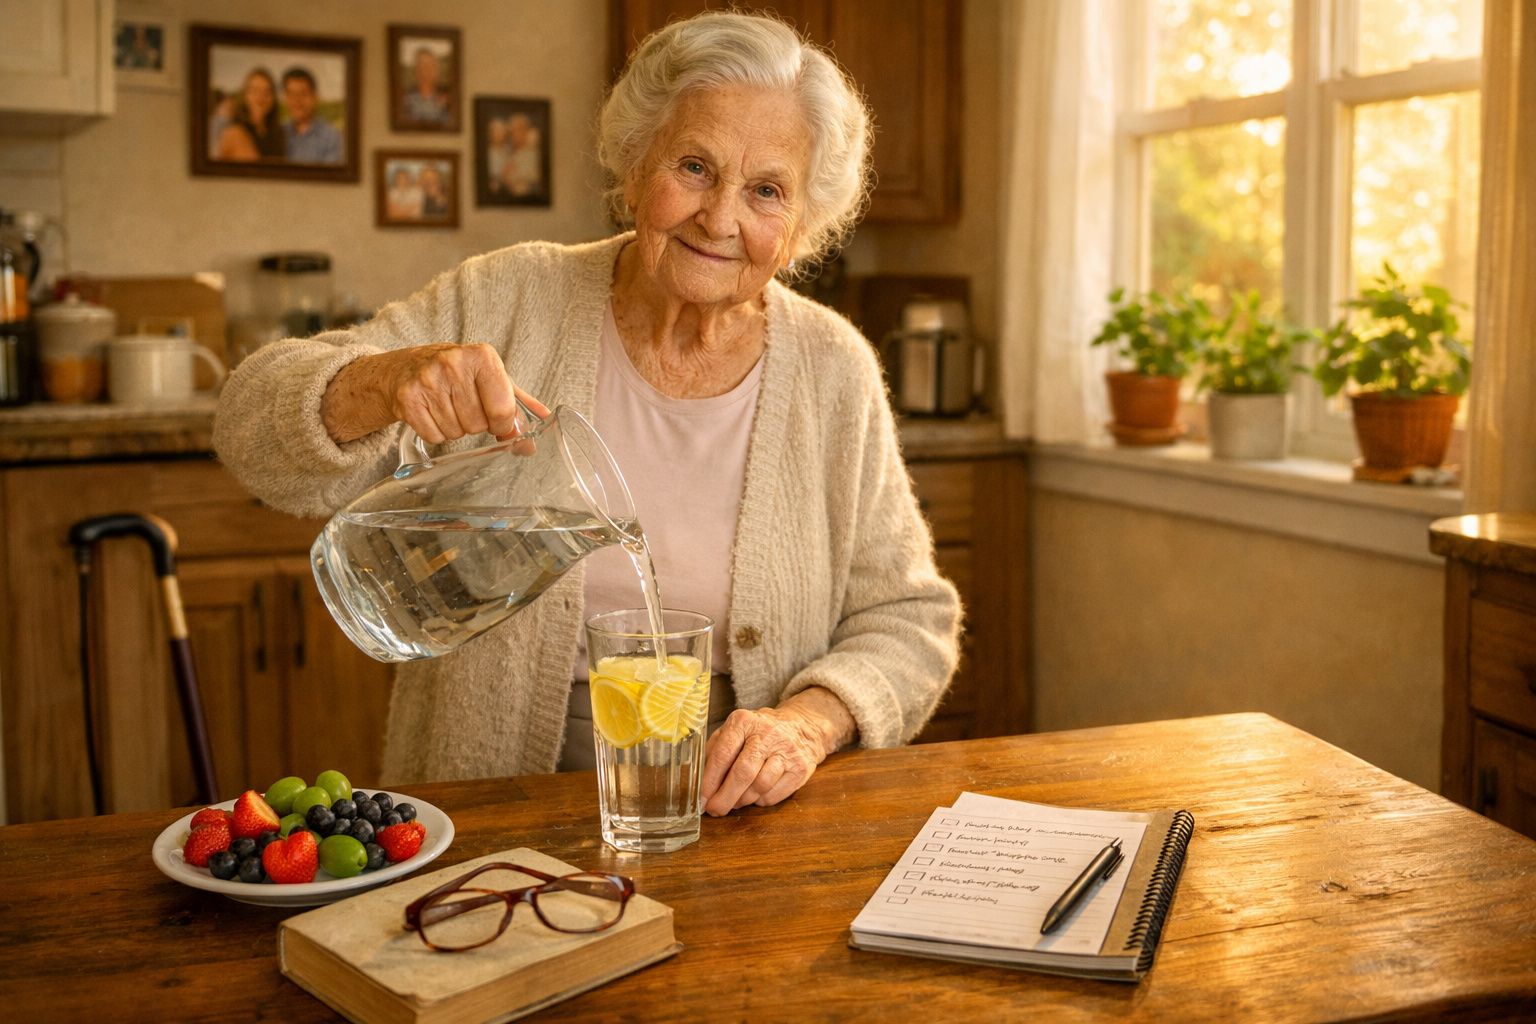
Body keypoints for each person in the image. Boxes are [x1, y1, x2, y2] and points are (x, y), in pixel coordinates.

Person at [214, 11, 960, 816]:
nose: (720, 218)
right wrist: (382, 380)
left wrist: (807, 725)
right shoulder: (511, 296)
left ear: (802, 227)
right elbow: (249, 430)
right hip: (491, 807)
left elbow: (910, 621)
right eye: (695, 167)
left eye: (766, 191)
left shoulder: (833, 367)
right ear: (635, 168)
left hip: (746, 822)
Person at [211, 68, 283, 162]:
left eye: (267, 92)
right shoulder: (233, 133)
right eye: (255, 91)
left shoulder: (278, 134)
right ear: (245, 95)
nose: (261, 97)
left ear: (273, 98)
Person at [281, 66, 343, 165]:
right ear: (285, 99)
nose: (297, 100)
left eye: (303, 93)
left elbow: (331, 178)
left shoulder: (331, 137)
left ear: (315, 97)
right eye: (291, 94)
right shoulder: (280, 132)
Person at [402, 46, 451, 126]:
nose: (428, 71)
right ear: (416, 71)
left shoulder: (447, 97)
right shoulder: (407, 99)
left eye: (432, 65)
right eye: (423, 66)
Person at [499, 113, 543, 197]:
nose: (513, 134)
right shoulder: (510, 153)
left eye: (517, 130)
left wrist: (511, 176)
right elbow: (503, 176)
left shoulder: (533, 153)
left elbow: (532, 177)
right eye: (511, 131)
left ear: (525, 131)